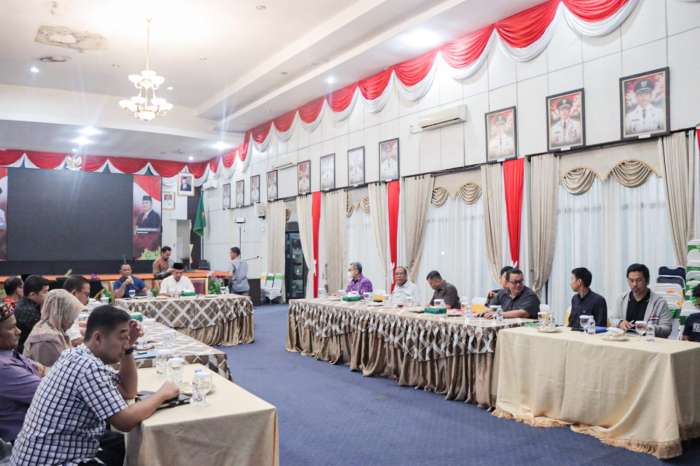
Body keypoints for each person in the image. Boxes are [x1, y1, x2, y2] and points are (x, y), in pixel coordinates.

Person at [11, 305, 179, 466]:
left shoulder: (75, 354)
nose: (125, 342)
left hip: (35, 456)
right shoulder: (88, 367)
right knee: (128, 445)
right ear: (98, 338)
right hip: (54, 461)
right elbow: (124, 421)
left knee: (121, 444)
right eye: (122, 337)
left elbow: (128, 391)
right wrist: (162, 394)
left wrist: (128, 349)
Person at [0, 304, 46, 443]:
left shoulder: (7, 352)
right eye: (11, 328)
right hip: (27, 440)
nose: (19, 331)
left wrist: (42, 372)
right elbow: (50, 393)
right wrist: (40, 373)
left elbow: (43, 368)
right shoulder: (3, 368)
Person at [23, 289, 83, 367]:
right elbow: (62, 368)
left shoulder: (48, 326)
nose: (72, 321)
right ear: (61, 313)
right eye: (70, 315)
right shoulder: (47, 339)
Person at [611, 263, 672, 338]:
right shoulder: (621, 299)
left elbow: (667, 330)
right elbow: (613, 319)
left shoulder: (660, 302)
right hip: (625, 340)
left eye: (639, 280)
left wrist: (648, 328)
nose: (634, 284)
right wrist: (620, 323)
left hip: (648, 342)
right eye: (631, 280)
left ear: (647, 281)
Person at [14, 275, 50, 354]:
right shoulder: (27, 311)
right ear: (32, 294)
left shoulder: (30, 304)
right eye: (45, 292)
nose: (48, 295)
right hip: (25, 353)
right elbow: (46, 333)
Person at [63, 275, 90, 346]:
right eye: (86, 294)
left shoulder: (65, 306)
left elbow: (75, 326)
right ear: (74, 293)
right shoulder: (67, 312)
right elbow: (75, 341)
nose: (88, 300)